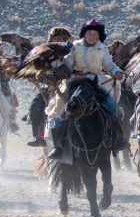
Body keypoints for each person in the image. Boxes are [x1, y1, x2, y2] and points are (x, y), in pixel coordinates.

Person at [48, 19, 128, 159]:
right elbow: (67, 64)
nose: (91, 36)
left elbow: (109, 64)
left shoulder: (102, 48)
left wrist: (117, 72)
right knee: (59, 110)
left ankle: (117, 139)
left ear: (99, 36)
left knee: (114, 108)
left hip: (95, 82)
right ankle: (57, 146)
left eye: (94, 34)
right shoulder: (75, 47)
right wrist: (68, 73)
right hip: (75, 82)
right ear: (84, 33)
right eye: (89, 33)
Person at [26, 26, 73, 147]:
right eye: (55, 38)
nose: (57, 40)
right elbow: (38, 72)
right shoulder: (45, 54)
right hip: (51, 89)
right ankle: (38, 137)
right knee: (35, 107)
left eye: (61, 38)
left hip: (71, 86)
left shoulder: (72, 51)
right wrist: (38, 77)